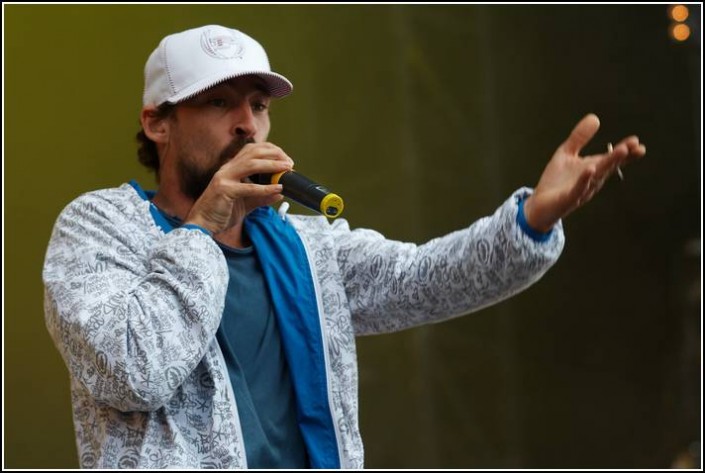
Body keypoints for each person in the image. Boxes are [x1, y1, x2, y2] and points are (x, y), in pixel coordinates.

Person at [42, 24, 646, 469]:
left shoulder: (303, 246)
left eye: (257, 105)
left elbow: (425, 280)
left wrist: (533, 219)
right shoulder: (100, 227)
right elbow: (129, 370)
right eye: (218, 102)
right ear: (157, 122)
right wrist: (204, 228)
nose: (247, 125)